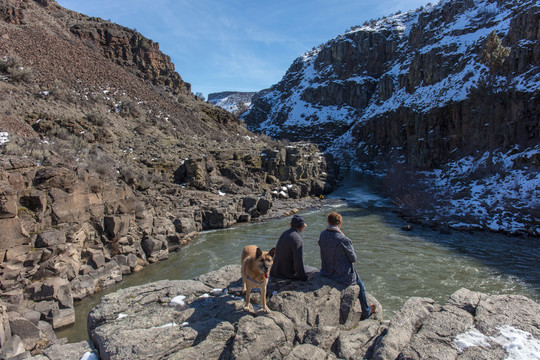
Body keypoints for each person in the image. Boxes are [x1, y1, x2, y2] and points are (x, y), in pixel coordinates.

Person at [318, 211, 376, 320]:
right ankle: (366, 312)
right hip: (342, 275)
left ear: (328, 222)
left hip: (326, 271)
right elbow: (353, 258)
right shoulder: (344, 239)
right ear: (340, 224)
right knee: (361, 286)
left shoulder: (322, 234)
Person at [270, 214, 316, 281]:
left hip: (276, 271)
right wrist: (304, 278)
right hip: (287, 274)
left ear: (290, 224)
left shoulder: (284, 233)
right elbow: (298, 263)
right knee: (315, 270)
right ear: (303, 227)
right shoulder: (297, 239)